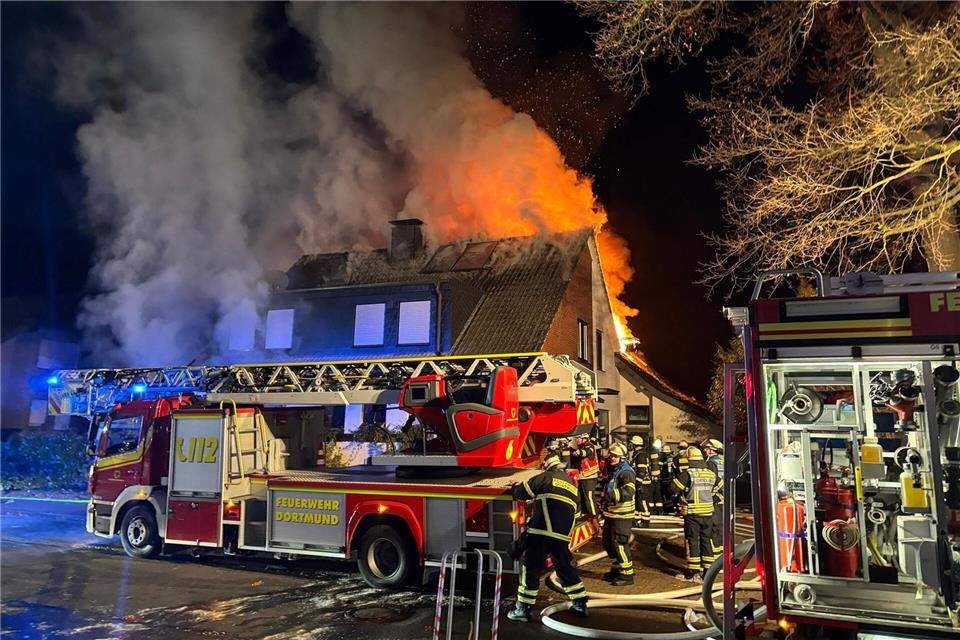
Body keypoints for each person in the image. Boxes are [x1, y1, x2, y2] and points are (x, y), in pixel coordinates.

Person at [507, 452, 588, 622]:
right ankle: (580, 603)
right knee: (564, 567)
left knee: (529, 567)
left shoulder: (545, 478)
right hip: (562, 536)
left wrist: (514, 487)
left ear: (546, 466)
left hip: (542, 531)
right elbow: (577, 512)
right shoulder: (572, 485)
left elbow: (521, 492)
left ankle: (522, 609)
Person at [668, 446, 721, 582]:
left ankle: (693, 573)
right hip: (708, 513)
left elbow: (673, 488)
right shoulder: (710, 473)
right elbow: (721, 488)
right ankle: (708, 572)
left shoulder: (688, 474)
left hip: (693, 514)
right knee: (706, 540)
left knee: (692, 541)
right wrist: (712, 499)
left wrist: (680, 482)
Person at [601, 442, 636, 586]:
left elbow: (628, 493)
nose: (611, 458)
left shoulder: (626, 472)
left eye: (615, 456)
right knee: (609, 543)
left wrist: (608, 495)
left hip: (622, 515)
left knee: (619, 544)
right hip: (612, 514)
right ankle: (617, 569)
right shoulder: (615, 470)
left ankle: (627, 575)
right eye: (611, 455)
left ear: (622, 457)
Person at [701, 438, 725, 564]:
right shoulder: (723, 461)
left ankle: (715, 557)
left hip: (715, 499)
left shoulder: (711, 464)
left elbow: (710, 481)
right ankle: (722, 553)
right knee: (721, 527)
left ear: (711, 450)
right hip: (725, 498)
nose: (704, 451)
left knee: (713, 528)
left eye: (706, 449)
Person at [569, 434, 599, 517]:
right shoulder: (581, 446)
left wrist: (579, 452)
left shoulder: (590, 446)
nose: (576, 440)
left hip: (590, 476)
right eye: (576, 438)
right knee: (582, 497)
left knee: (589, 498)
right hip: (583, 476)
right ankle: (584, 514)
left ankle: (594, 516)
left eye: (578, 438)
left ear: (584, 438)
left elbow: (586, 452)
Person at [629, 435, 652, 527]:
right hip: (639, 483)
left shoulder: (641, 455)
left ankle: (645, 521)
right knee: (637, 502)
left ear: (634, 445)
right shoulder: (638, 454)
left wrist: (638, 483)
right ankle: (637, 520)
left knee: (642, 502)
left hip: (643, 483)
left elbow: (641, 471)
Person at [649, 437, 664, 515]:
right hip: (658, 479)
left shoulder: (650, 453)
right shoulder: (661, 455)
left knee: (651, 494)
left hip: (652, 478)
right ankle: (660, 510)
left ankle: (651, 509)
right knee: (658, 494)